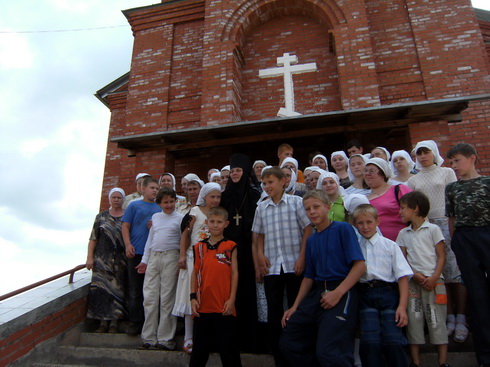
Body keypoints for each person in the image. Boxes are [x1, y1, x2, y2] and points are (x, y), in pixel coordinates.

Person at [279, 190, 366, 367]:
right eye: (308, 209)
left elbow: (360, 266)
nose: (312, 212)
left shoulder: (343, 229)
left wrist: (338, 293)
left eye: (316, 207)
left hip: (342, 290)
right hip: (318, 293)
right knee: (288, 342)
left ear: (327, 207)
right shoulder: (311, 240)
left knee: (329, 351)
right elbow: (309, 276)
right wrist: (295, 306)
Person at [252, 166, 313, 366]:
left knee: (297, 308)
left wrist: (302, 257)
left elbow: (307, 230)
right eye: (264, 183)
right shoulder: (261, 207)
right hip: (272, 266)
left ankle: (299, 353)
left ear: (283, 182)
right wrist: (260, 256)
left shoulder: (296, 203)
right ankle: (280, 357)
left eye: (271, 182)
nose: (267, 186)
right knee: (274, 311)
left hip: (293, 264)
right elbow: (259, 236)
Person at [408, 140, 467, 342]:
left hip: (446, 223)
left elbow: (454, 199)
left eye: (426, 152)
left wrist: (454, 224)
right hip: (425, 226)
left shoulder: (446, 173)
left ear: (434, 153)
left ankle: (461, 318)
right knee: (437, 273)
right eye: (419, 154)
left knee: (454, 271)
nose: (423, 157)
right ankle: (448, 316)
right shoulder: (412, 180)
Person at [445, 143, 490, 367]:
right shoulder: (452, 188)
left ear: (472, 158)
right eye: (451, 162)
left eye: (457, 161)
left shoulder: (487, 182)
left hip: (487, 235)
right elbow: (451, 219)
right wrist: (456, 242)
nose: (454, 166)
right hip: (464, 239)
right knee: (477, 296)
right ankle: (485, 357)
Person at [353, 204, 412, 367]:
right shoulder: (355, 247)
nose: (365, 227)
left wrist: (402, 307)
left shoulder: (390, 245)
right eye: (360, 223)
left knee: (393, 340)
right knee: (370, 341)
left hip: (388, 294)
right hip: (365, 294)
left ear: (377, 221)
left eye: (369, 222)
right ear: (355, 225)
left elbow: (402, 276)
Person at [396, 191, 449, 367]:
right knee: (414, 318)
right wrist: (413, 274)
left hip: (435, 282)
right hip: (413, 283)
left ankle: (442, 362)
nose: (400, 212)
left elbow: (441, 256)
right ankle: (415, 362)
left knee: (436, 319)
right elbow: (401, 259)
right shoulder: (403, 233)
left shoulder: (433, 229)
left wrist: (434, 277)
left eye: (403, 208)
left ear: (416, 208)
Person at [220, 153, 262, 352]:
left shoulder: (255, 194)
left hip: (248, 251)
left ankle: (251, 341)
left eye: (238, 170)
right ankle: (230, 340)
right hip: (229, 253)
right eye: (232, 171)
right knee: (229, 293)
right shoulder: (225, 196)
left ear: (245, 172)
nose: (235, 174)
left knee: (248, 294)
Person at [173, 182, 222, 354]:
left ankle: (207, 338)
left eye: (218, 197)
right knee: (190, 296)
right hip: (193, 259)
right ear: (205, 196)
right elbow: (185, 233)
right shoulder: (194, 212)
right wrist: (181, 255)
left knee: (207, 298)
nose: (215, 200)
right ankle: (188, 337)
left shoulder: (218, 214)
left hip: (212, 261)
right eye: (212, 196)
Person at [189, 206, 241, 367]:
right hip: (203, 305)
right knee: (199, 351)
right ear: (206, 223)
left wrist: (232, 299)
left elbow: (234, 273)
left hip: (224, 305)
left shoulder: (230, 245)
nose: (216, 225)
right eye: (212, 221)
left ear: (226, 224)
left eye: (219, 222)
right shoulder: (199, 247)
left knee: (229, 350)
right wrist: (192, 298)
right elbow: (194, 273)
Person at [136, 187, 183, 350]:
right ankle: (148, 337)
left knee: (167, 299)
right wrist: (144, 261)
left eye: (171, 201)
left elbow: (184, 241)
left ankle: (165, 339)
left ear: (175, 201)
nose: (169, 205)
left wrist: (181, 260)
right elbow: (150, 240)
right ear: (160, 203)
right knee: (149, 297)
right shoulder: (155, 217)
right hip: (154, 258)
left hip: (171, 257)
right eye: (165, 202)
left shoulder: (181, 218)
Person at [121, 177, 161, 335]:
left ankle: (151, 323)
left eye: (157, 188)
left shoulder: (160, 208)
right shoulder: (134, 205)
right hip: (136, 252)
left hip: (154, 254)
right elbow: (125, 226)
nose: (155, 190)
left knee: (152, 291)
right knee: (135, 290)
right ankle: (135, 322)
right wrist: (128, 244)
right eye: (152, 187)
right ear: (143, 189)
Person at [86, 188, 127, 333]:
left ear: (123, 200)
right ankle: (102, 323)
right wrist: (90, 257)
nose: (116, 200)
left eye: (119, 197)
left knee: (117, 291)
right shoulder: (101, 217)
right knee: (102, 291)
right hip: (102, 260)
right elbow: (93, 238)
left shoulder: (127, 216)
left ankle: (114, 323)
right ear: (109, 199)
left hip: (120, 261)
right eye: (114, 197)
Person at [364, 158, 412, 241]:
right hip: (378, 245)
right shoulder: (364, 198)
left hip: (403, 242)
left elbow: (416, 212)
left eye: (371, 171)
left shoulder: (399, 189)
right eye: (365, 171)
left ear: (382, 174)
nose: (367, 174)